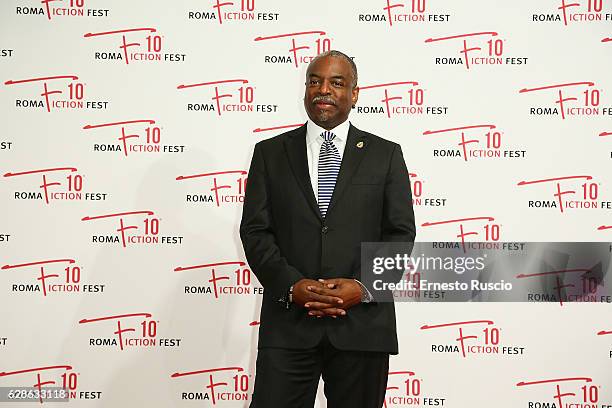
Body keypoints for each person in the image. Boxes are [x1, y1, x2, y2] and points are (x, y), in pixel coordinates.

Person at [240, 50, 416, 408]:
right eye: (314, 81)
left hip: (362, 326)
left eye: (337, 82)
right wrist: (292, 285)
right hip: (289, 325)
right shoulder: (270, 153)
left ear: (354, 94)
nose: (324, 89)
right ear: (304, 90)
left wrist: (362, 287)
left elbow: (399, 234)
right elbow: (256, 231)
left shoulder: (386, 155)